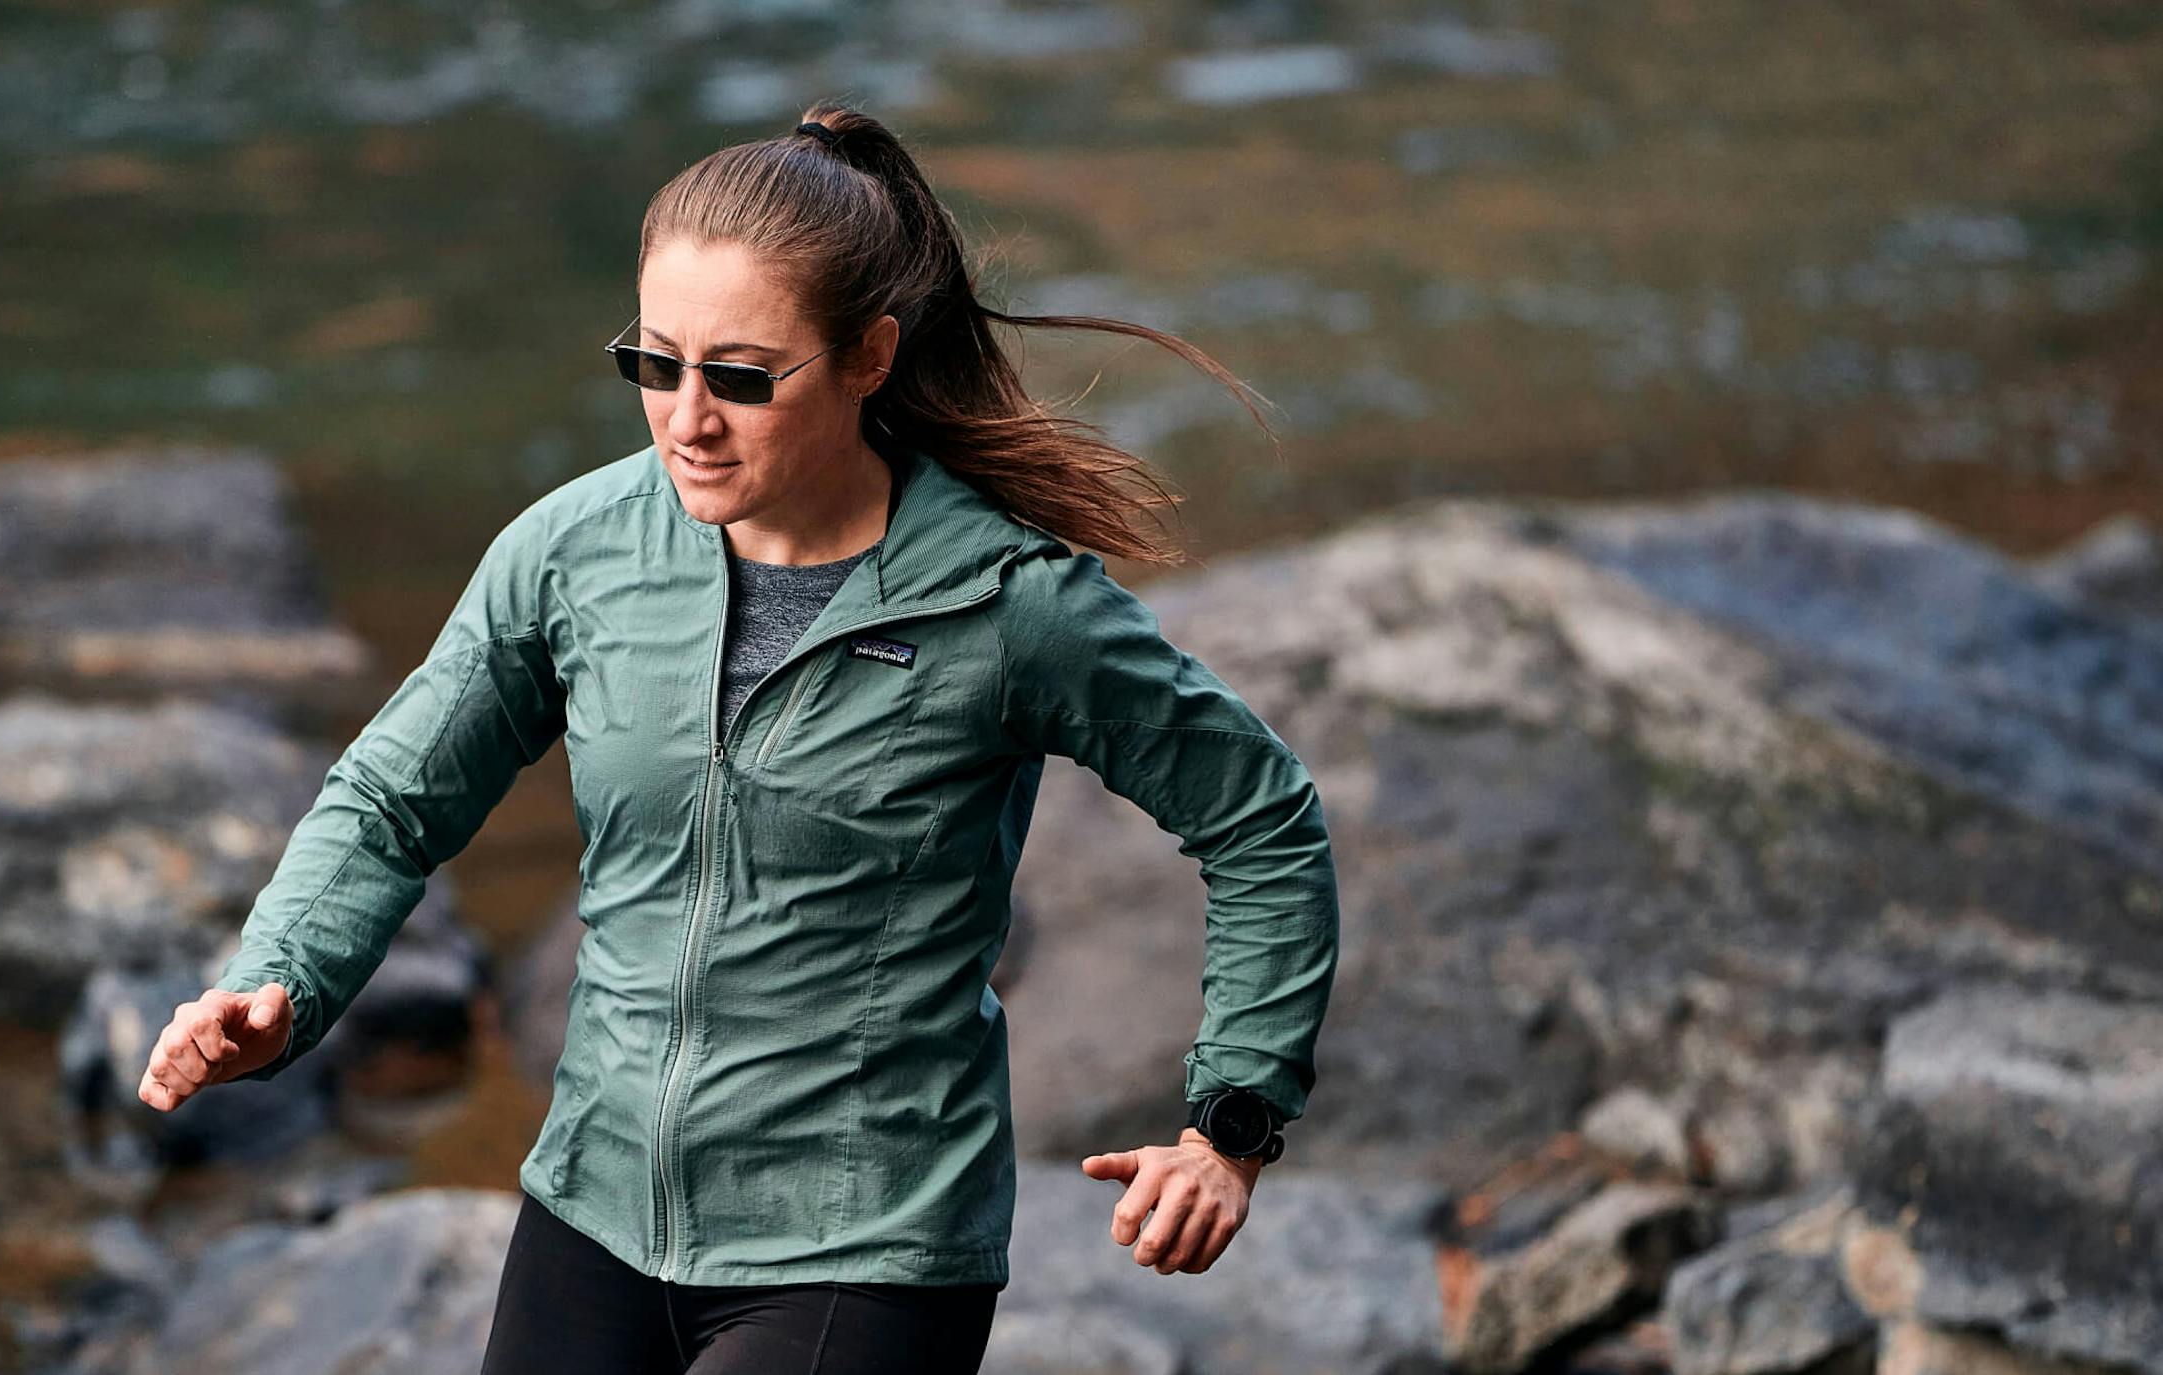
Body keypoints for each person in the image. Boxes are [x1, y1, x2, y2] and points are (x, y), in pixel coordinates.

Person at [137, 101, 1340, 1374]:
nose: (685, 419)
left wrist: (1231, 1126)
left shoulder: (1009, 606)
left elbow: (1261, 819)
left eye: (742, 377)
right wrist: (276, 979)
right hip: (592, 1208)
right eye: (656, 364)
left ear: (868, 357)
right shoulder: (576, 552)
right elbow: (392, 798)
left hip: (862, 1250)